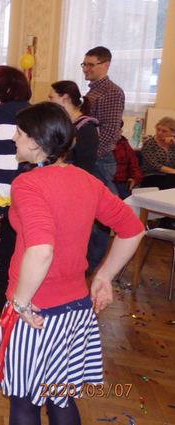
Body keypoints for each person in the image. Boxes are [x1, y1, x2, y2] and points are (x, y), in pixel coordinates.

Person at [0, 102, 144, 425]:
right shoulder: (85, 180)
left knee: (25, 404)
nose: (13, 138)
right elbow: (133, 229)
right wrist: (103, 276)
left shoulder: (28, 184)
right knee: (60, 397)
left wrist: (20, 303)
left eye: (19, 133)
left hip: (36, 313)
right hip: (75, 310)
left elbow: (41, 249)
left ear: (35, 142)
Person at [0, 66, 32, 314]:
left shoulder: (5, 113)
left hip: (15, 203)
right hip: (31, 198)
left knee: (6, 272)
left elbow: (5, 170)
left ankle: (8, 327)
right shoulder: (26, 109)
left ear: (5, 87)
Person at [82, 47, 124, 272]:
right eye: (84, 64)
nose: (86, 69)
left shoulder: (111, 92)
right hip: (90, 159)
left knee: (101, 216)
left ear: (106, 65)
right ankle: (83, 261)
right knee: (87, 212)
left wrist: (88, 158)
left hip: (98, 160)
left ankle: (91, 265)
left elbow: (108, 133)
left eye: (91, 65)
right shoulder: (94, 91)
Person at [48, 80, 98, 173]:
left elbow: (85, 164)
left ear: (65, 98)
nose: (49, 101)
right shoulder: (63, 123)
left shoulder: (86, 127)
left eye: (51, 97)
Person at [140, 116, 175, 190]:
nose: (159, 133)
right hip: (152, 175)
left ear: (172, 132)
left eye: (164, 131)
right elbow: (155, 165)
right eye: (158, 129)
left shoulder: (173, 142)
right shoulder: (149, 144)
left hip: (171, 175)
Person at [112, 124, 142, 200]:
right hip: (110, 181)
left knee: (139, 197)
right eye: (119, 129)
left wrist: (135, 179)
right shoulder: (103, 147)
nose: (121, 131)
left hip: (125, 181)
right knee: (114, 198)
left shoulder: (124, 144)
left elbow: (134, 164)